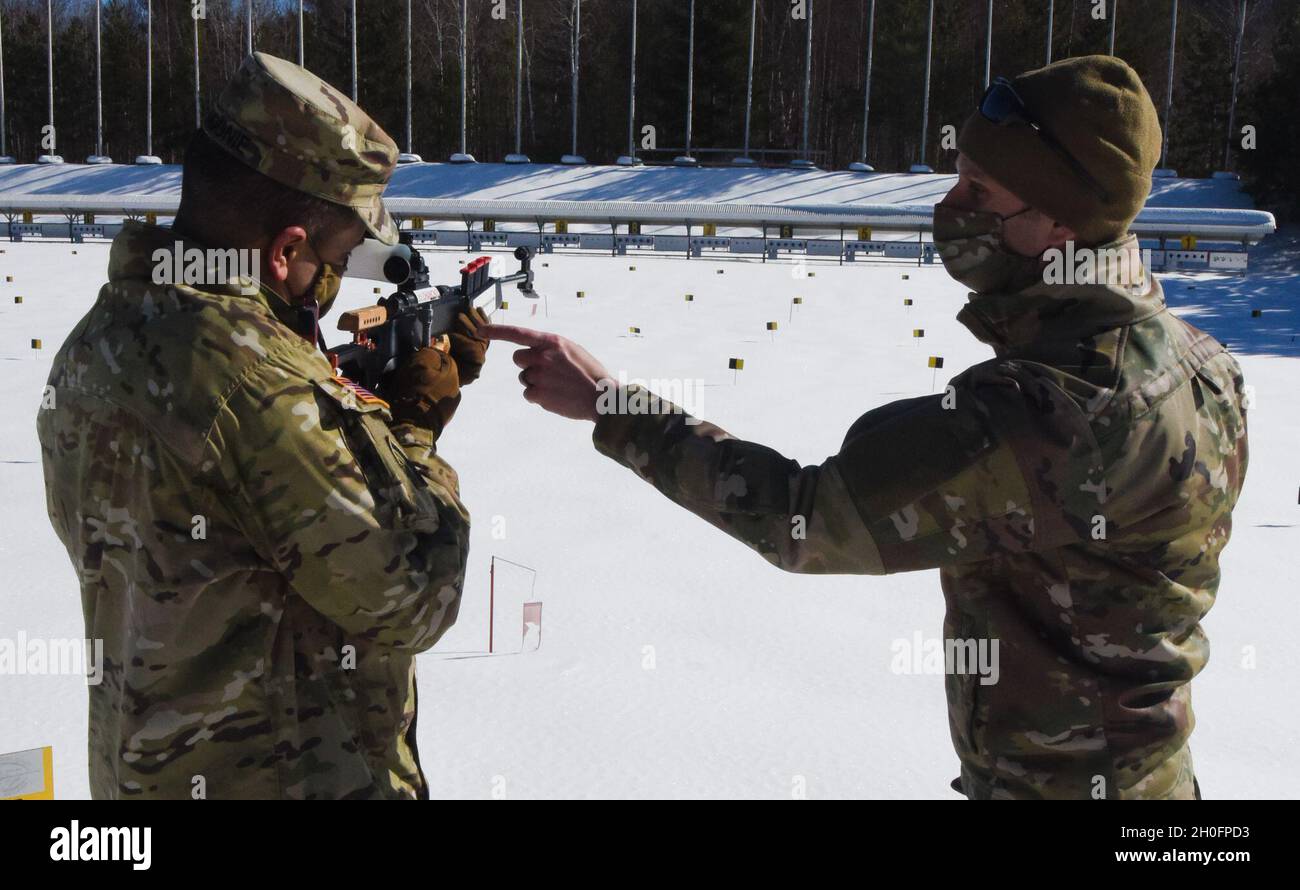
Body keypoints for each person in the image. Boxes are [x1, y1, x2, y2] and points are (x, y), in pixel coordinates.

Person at [486, 55, 1249, 799]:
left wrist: (613, 408)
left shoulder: (1049, 408)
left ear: (1058, 223)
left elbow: (804, 519)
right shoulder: (1202, 362)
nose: (954, 206)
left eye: (981, 190)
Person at [35, 53, 488, 799]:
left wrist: (340, 393)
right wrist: (410, 430)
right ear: (284, 251)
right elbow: (415, 597)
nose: (336, 277)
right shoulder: (265, 392)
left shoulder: (96, 344)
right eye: (335, 256)